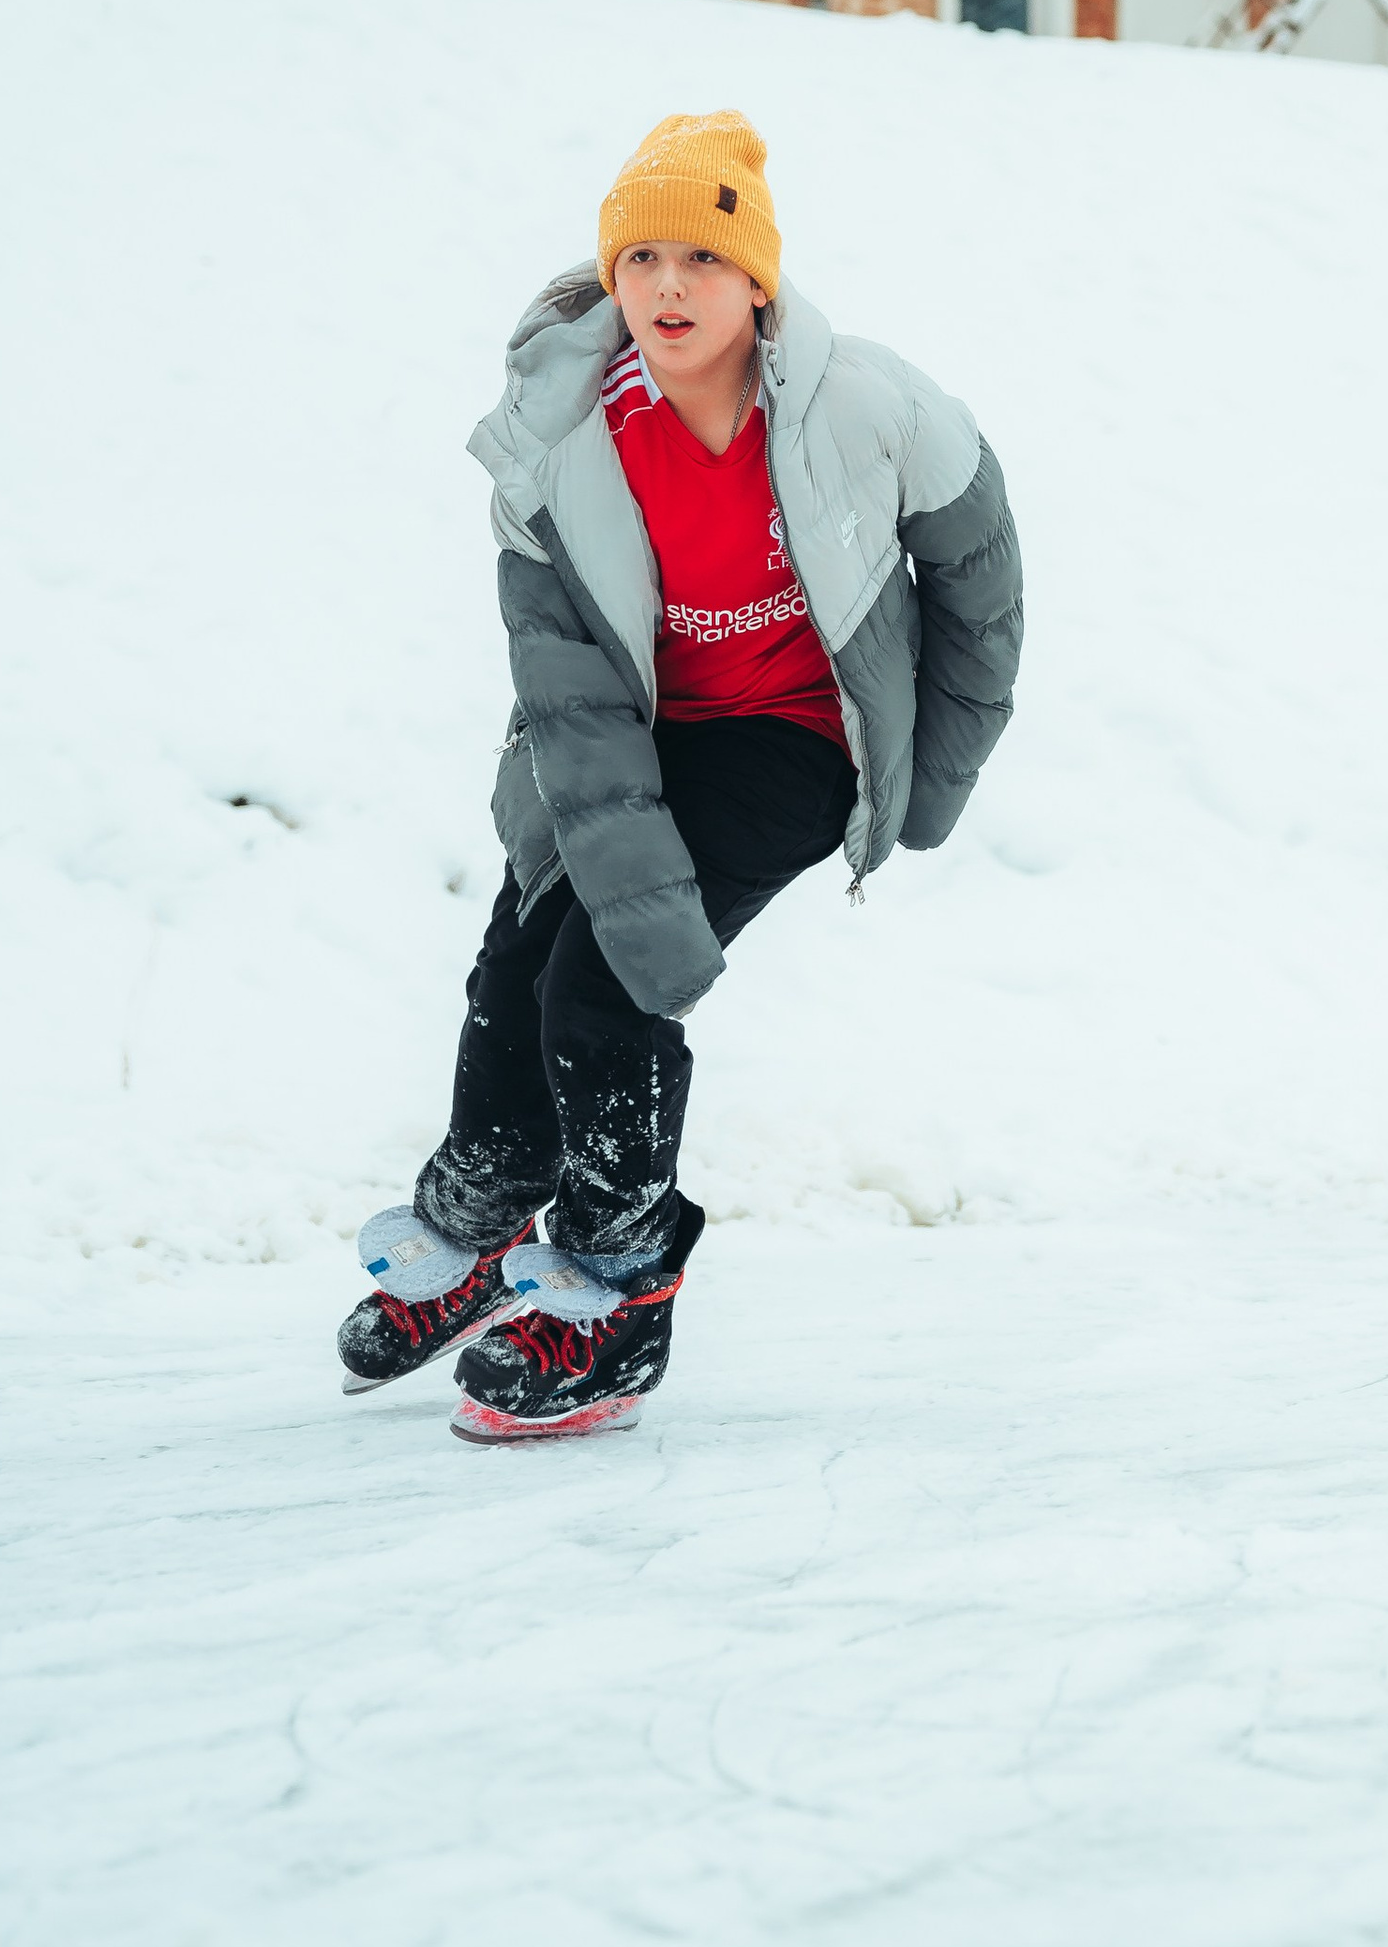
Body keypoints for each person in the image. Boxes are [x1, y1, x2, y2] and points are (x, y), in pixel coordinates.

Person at [338, 108, 1023, 1442]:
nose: (667, 286)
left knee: (609, 988)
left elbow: (981, 568)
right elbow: (565, 676)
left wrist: (936, 768)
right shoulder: (559, 438)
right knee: (518, 969)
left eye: (701, 259)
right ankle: (478, 1229)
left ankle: (618, 1290)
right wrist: (601, 852)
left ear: (756, 279)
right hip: (621, 732)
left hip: (787, 740)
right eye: (639, 258)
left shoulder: (863, 404)